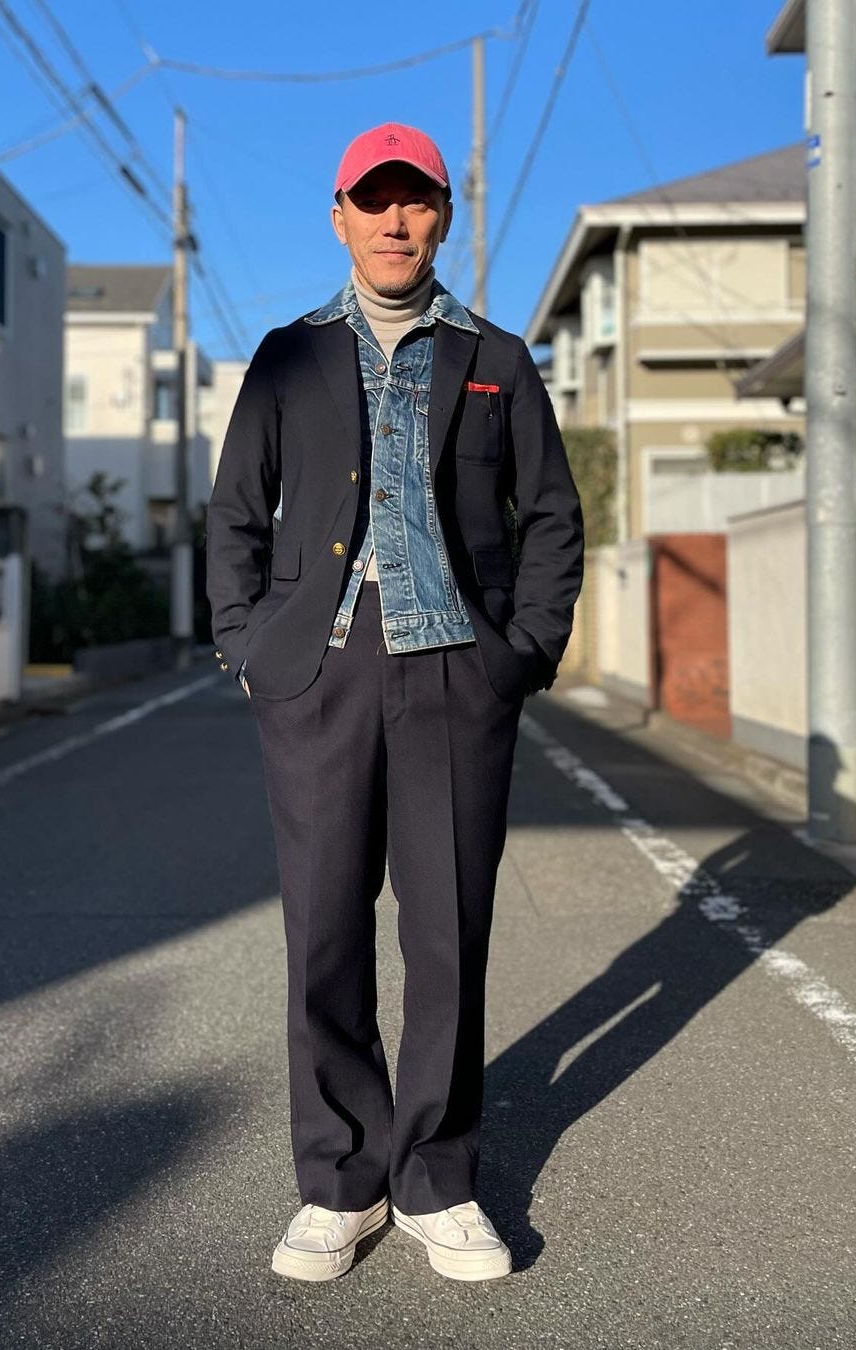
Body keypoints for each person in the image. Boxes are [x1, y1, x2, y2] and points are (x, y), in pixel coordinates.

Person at [206, 122, 584, 1283]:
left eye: (414, 200)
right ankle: (338, 1182)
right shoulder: (288, 357)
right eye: (372, 201)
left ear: (442, 218)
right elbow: (235, 513)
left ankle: (435, 1179)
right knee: (323, 930)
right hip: (319, 671)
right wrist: (246, 648)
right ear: (340, 219)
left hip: (457, 668)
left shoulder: (495, 357)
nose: (394, 221)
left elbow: (552, 518)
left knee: (446, 935)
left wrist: (520, 655)